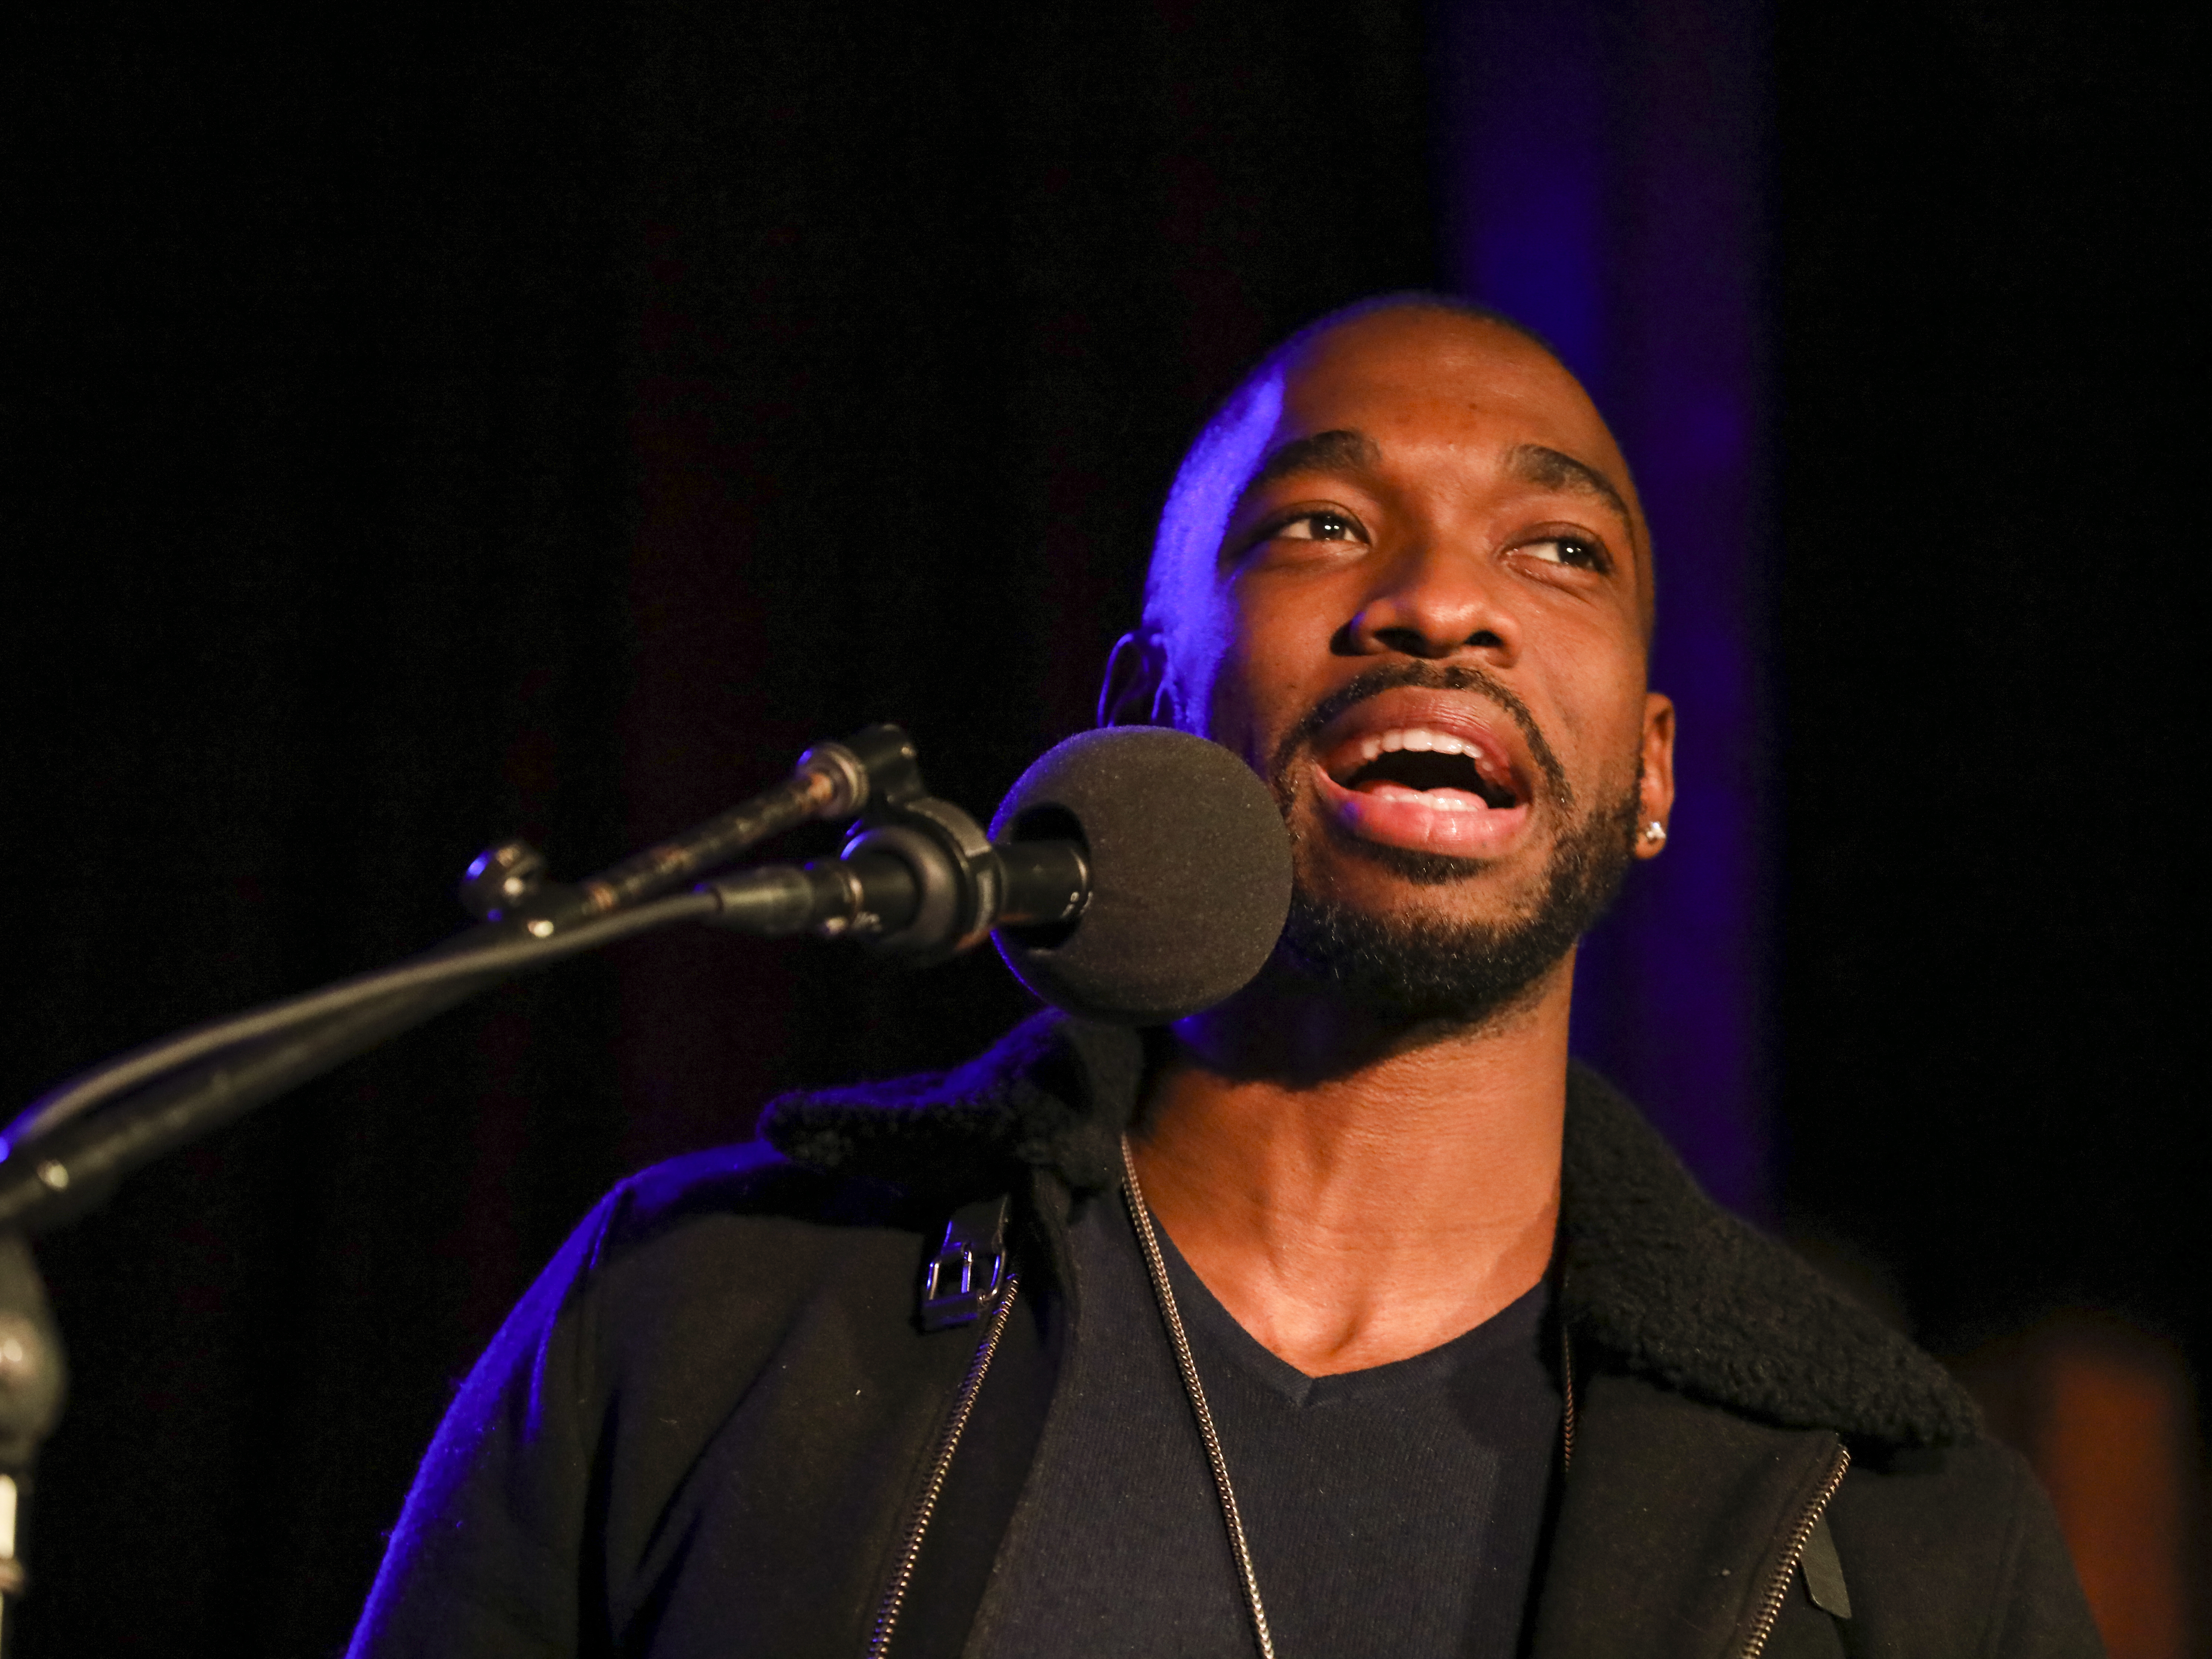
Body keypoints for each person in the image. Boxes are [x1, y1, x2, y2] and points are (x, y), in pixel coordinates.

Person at [348, 298, 2101, 1658]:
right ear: (1146, 704)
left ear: (1650, 771)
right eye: (1322, 527)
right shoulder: (706, 1317)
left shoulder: (1900, 1530)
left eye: (1556, 550)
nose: (1438, 603)